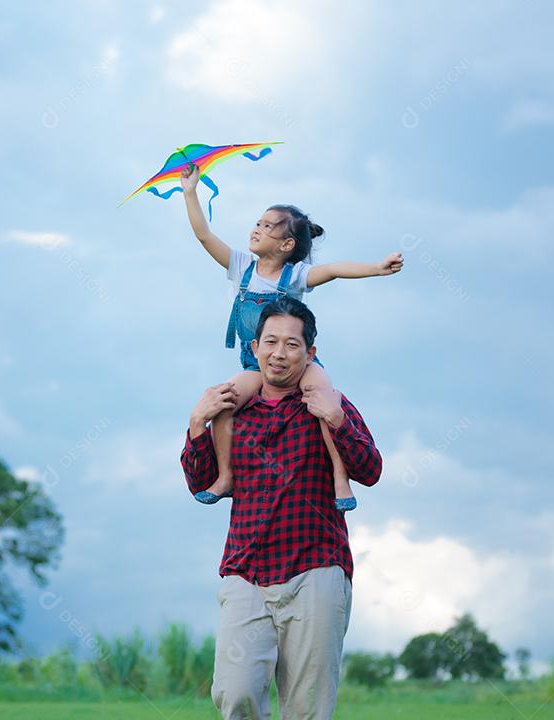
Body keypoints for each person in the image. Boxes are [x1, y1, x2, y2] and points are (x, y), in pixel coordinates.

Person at [181, 296, 382, 719]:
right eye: (270, 342)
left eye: (292, 345)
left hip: (316, 568)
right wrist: (197, 423)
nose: (279, 353)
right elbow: (200, 484)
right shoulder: (234, 412)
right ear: (254, 348)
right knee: (234, 694)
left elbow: (371, 469)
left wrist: (338, 421)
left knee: (307, 708)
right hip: (246, 571)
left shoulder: (326, 402)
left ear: (310, 353)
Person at [180, 162, 400, 511]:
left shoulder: (294, 275)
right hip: (257, 365)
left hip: (298, 365)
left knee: (323, 397)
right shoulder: (241, 267)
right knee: (225, 400)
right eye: (257, 222)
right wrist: (190, 192)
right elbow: (203, 235)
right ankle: (225, 476)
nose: (256, 229)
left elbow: (335, 271)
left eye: (267, 227)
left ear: (286, 244)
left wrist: (376, 268)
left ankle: (340, 478)